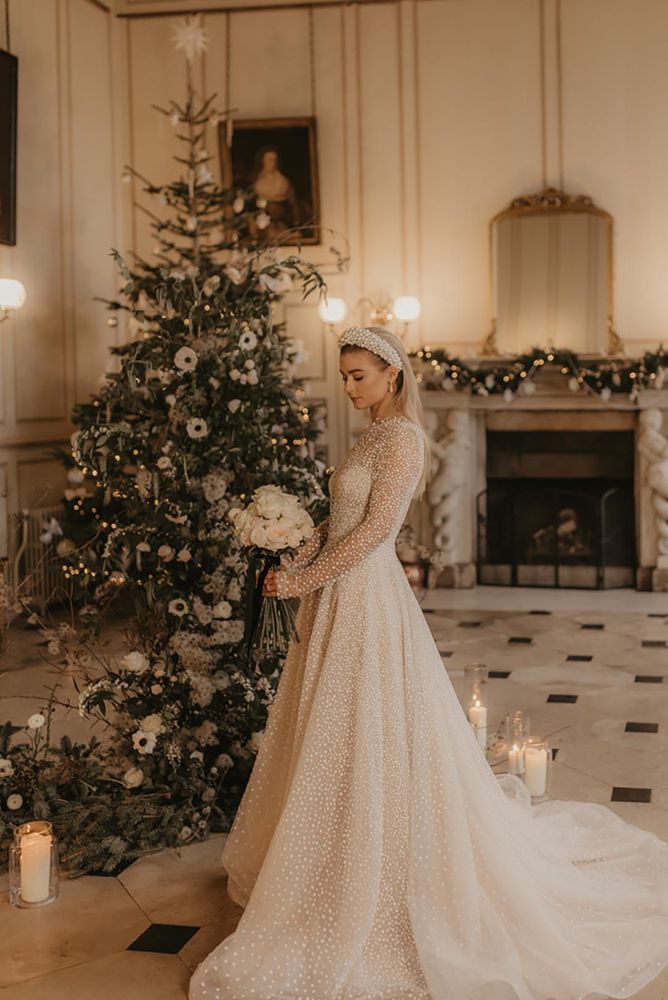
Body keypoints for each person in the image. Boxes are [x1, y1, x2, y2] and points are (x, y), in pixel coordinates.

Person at [190, 326, 668, 1000]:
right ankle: (331, 849)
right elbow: (341, 517)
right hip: (334, 592)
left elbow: (375, 533)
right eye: (346, 374)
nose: (350, 386)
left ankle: (378, 861)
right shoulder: (366, 435)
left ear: (393, 374)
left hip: (366, 599)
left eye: (360, 375)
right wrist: (299, 549)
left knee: (370, 722)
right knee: (329, 723)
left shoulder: (406, 440)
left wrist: (305, 578)